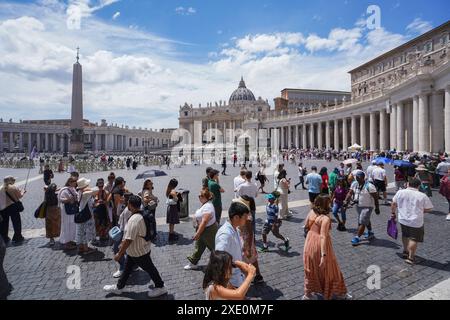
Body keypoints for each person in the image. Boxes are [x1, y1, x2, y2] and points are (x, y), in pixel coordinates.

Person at [104, 195, 167, 297]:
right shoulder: (142, 214)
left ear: (130, 205)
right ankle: (119, 287)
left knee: (150, 269)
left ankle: (161, 287)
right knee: (128, 268)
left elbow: (129, 239)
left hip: (138, 252)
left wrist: (119, 254)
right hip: (138, 249)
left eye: (127, 203)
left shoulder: (134, 220)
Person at [303, 194, 350, 300]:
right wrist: (323, 255)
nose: (331, 203)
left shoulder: (311, 212)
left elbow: (306, 226)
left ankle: (308, 294)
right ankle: (340, 293)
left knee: (311, 268)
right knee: (331, 269)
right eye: (329, 202)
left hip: (309, 242)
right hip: (321, 245)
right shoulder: (325, 218)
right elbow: (323, 236)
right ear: (326, 205)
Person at [391, 178, 433, 265]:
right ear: (418, 185)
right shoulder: (422, 195)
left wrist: (393, 213)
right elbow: (429, 208)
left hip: (402, 219)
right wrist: (421, 210)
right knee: (413, 239)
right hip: (415, 221)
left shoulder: (400, 192)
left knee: (405, 235)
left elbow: (393, 203)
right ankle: (410, 258)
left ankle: (405, 251)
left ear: (408, 184)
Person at [215, 201, 250, 289]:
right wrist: (232, 290)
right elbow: (219, 263)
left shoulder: (235, 229)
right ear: (236, 217)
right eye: (245, 217)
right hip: (231, 282)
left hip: (237, 277)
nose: (247, 219)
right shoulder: (225, 235)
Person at [184, 189, 218, 270]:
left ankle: (223, 263)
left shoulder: (208, 206)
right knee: (199, 247)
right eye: (199, 195)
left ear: (206, 197)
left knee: (214, 248)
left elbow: (205, 221)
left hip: (208, 231)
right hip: (203, 230)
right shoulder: (205, 204)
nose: (199, 197)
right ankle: (193, 262)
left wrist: (198, 233)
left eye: (201, 196)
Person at [344, 171, 380, 246]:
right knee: (365, 219)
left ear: (363, 178)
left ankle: (357, 238)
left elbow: (376, 198)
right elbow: (350, 193)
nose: (357, 179)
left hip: (367, 207)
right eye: (356, 177)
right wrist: (346, 200)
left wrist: (377, 208)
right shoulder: (354, 184)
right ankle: (370, 232)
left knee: (362, 222)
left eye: (359, 177)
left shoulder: (370, 186)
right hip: (358, 206)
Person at [112, 192, 133, 278]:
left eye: (124, 198)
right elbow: (118, 214)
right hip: (121, 230)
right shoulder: (124, 207)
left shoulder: (130, 210)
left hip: (125, 233)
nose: (123, 199)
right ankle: (129, 265)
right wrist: (120, 205)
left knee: (117, 249)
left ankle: (122, 268)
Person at [0, 176, 26, 244]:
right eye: (13, 180)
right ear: (10, 181)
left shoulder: (1, 188)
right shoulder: (13, 187)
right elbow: (19, 196)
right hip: (13, 207)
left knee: (4, 224)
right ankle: (17, 237)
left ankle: (4, 238)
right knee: (16, 222)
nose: (14, 181)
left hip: (3, 208)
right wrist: (23, 192)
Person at [75, 178, 97, 255]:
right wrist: (88, 189)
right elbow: (97, 190)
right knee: (85, 231)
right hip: (85, 215)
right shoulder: (85, 193)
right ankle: (86, 249)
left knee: (81, 231)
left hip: (80, 213)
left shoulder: (79, 192)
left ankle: (81, 247)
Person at [59, 177, 78, 251]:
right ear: (69, 182)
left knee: (72, 225)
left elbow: (77, 196)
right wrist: (69, 199)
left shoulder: (73, 189)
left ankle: (70, 240)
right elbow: (61, 199)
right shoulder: (64, 190)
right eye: (73, 181)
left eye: (75, 181)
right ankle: (67, 243)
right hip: (66, 211)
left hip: (72, 210)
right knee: (67, 225)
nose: (75, 182)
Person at [93, 178, 110, 244]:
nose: (100, 187)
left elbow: (108, 202)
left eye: (102, 185)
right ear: (97, 184)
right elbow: (93, 202)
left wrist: (103, 202)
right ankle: (100, 235)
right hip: (97, 209)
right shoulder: (94, 191)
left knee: (104, 222)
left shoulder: (105, 192)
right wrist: (96, 201)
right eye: (99, 185)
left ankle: (103, 235)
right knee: (98, 223)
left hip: (103, 208)